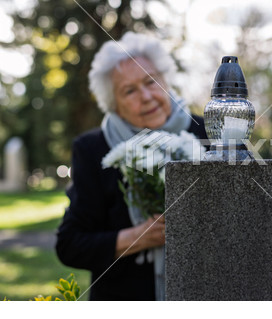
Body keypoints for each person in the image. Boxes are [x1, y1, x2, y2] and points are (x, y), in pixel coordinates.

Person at [56, 32, 207, 301]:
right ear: (113, 105)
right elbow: (70, 245)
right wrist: (138, 236)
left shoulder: (207, 134)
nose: (146, 96)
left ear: (166, 80)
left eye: (151, 81)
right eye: (129, 90)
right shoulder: (93, 149)